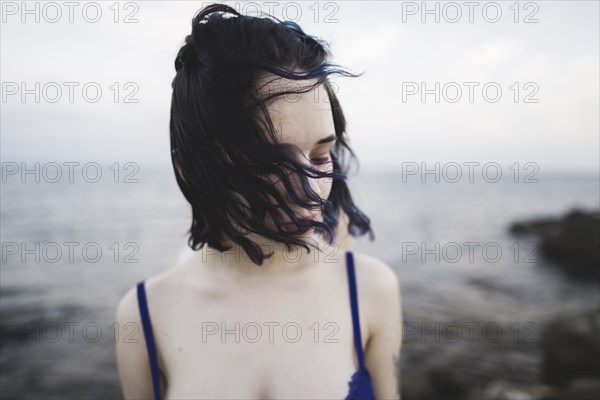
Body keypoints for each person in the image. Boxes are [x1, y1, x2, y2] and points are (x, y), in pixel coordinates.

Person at [116, 3, 402, 399]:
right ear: (192, 169)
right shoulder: (144, 315)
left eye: (321, 157)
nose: (310, 190)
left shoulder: (369, 289)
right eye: (270, 164)